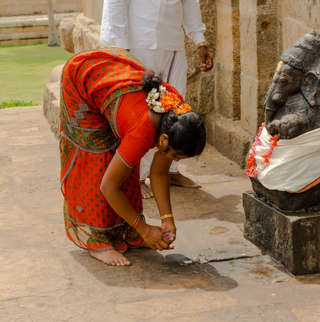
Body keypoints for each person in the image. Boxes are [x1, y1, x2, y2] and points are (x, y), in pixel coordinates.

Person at [59, 47, 206, 266]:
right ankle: (97, 241)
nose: (174, 160)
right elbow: (108, 187)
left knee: (126, 165)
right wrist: (145, 229)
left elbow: (159, 173)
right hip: (82, 78)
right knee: (98, 160)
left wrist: (167, 219)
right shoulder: (143, 131)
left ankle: (129, 233)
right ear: (164, 140)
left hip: (114, 81)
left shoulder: (176, 115)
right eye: (177, 156)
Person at [100, 0, 214, 198]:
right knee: (143, 113)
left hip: (173, 44)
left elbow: (189, 3)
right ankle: (137, 177)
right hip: (138, 43)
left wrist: (199, 39)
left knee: (177, 107)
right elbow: (116, 4)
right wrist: (119, 47)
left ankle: (170, 171)